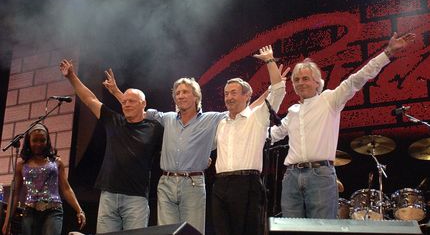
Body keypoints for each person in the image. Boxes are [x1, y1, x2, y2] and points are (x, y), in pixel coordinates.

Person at [102, 46, 281, 234]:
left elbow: (246, 110)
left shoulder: (213, 119)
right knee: (167, 232)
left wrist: (269, 90)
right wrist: (116, 92)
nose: (180, 95)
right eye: (177, 93)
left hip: (193, 184)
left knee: (193, 232)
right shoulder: (166, 118)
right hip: (166, 184)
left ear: (196, 96)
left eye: (185, 92)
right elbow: (136, 109)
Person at [269, 32, 416, 218]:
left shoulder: (329, 99)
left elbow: (358, 78)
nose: (300, 83)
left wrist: (388, 52)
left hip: (320, 175)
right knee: (290, 229)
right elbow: (271, 135)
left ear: (317, 82)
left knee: (323, 230)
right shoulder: (292, 112)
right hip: (291, 177)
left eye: (305, 78)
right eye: (296, 80)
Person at [59, 60, 163, 233]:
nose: (126, 104)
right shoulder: (113, 120)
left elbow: (171, 146)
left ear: (143, 104)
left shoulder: (155, 129)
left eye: (131, 101)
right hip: (109, 194)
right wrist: (71, 76)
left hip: (136, 198)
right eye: (124, 101)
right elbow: (89, 98)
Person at [212, 45, 286, 235]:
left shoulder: (257, 117)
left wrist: (270, 61)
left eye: (234, 93)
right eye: (226, 94)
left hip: (247, 184)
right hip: (220, 185)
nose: (228, 97)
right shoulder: (221, 123)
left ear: (247, 96)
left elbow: (277, 91)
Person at [1, 123, 85, 235]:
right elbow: (15, 194)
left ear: (47, 141)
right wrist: (7, 222)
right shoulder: (21, 165)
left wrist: (79, 210)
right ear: (28, 141)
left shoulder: (56, 162)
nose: (39, 144)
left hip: (53, 210)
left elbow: (66, 188)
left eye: (42, 140)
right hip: (30, 212)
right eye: (35, 140)